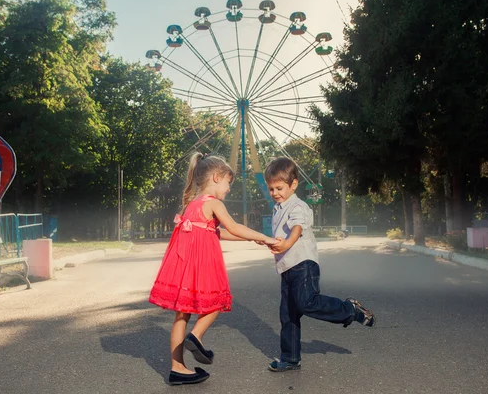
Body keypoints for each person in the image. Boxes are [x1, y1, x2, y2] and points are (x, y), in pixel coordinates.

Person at [149, 152, 278, 386]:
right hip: (202, 264)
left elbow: (219, 232)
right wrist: (265, 237)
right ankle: (196, 337)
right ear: (217, 177)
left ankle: (177, 368)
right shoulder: (213, 203)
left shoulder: (192, 204)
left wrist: (252, 240)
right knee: (217, 302)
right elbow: (234, 226)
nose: (229, 189)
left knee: (182, 314)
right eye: (229, 183)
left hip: (182, 266)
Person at [262, 157, 375, 372]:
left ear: (293, 184)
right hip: (286, 268)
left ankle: (350, 309)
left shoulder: (298, 206)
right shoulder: (278, 208)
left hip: (303, 264)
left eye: (279, 188)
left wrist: (286, 243)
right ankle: (291, 358)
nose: (275, 193)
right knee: (288, 314)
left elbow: (297, 228)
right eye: (271, 189)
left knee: (307, 303)